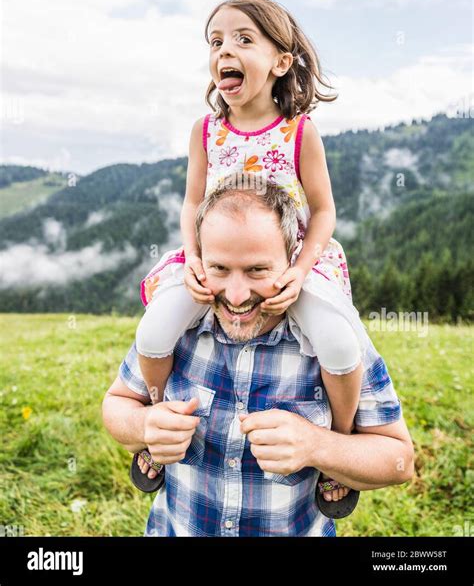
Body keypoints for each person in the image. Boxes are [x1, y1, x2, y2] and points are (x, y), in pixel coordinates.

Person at [133, 0, 370, 513]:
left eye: (244, 39)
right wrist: (193, 261)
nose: (224, 51)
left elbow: (325, 211)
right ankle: (157, 421)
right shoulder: (206, 131)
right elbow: (192, 201)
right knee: (154, 329)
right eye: (215, 41)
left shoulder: (299, 132)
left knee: (335, 339)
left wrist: (300, 269)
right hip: (215, 261)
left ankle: (341, 441)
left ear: (281, 61)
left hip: (287, 264)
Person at [102, 182, 414, 536]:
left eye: (257, 271)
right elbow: (117, 405)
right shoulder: (177, 328)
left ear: (292, 263)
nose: (236, 296)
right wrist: (145, 426)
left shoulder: (335, 343)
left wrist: (317, 446)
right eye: (219, 268)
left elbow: (398, 462)